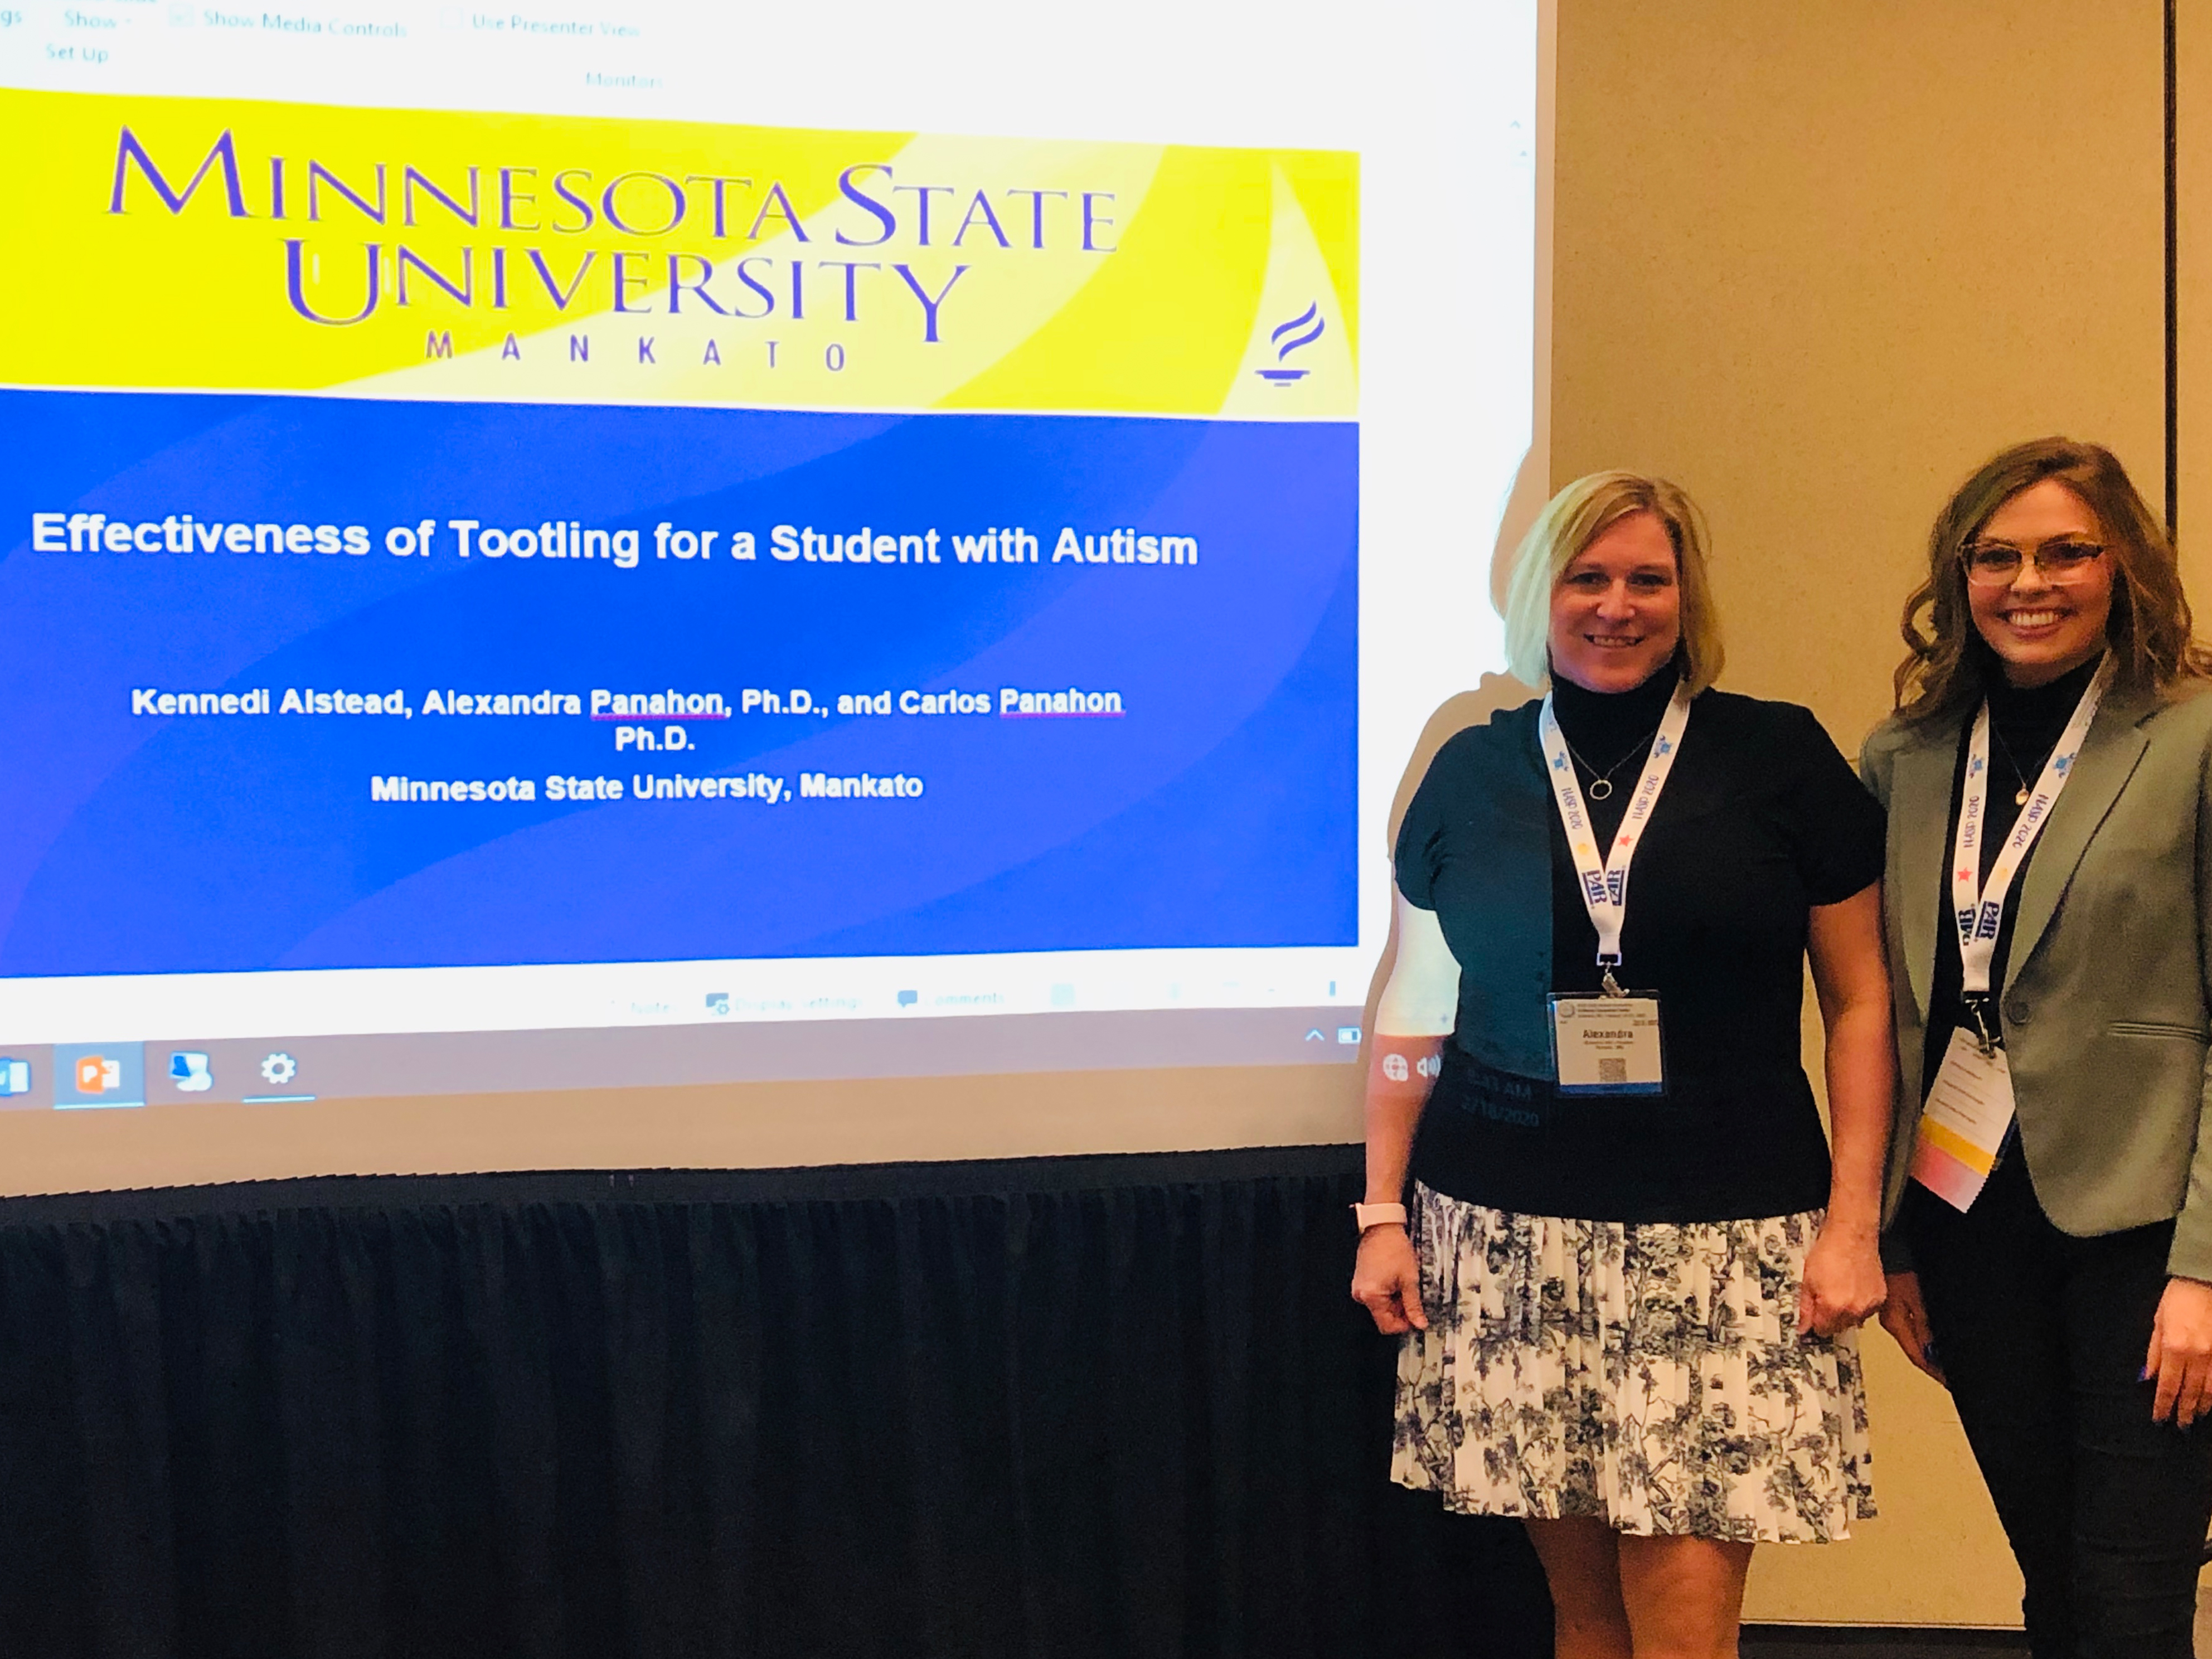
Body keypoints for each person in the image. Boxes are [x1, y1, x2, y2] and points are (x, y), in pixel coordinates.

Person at [1354, 472, 1894, 1658]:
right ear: (1538, 598)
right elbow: (1414, 1000)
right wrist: (1381, 1211)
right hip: (1507, 1236)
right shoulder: (1470, 770)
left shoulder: (1778, 757)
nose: (1616, 606)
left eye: (1647, 578)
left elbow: (1860, 1004)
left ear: (1685, 597)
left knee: (1685, 1618)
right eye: (1585, 578)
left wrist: (1855, 1223)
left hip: (1725, 1236)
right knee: (1584, 1615)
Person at [1864, 438, 2212, 1658]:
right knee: (2053, 1581)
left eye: (2067, 552)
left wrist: (2205, 1273)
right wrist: (1892, 1240)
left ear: (2124, 566)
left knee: (2129, 1593)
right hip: (1971, 1226)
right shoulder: (1902, 761)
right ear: (1958, 578)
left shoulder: (2190, 738)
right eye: (1996, 556)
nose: (2031, 582)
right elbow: (1889, 1021)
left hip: (2149, 1234)